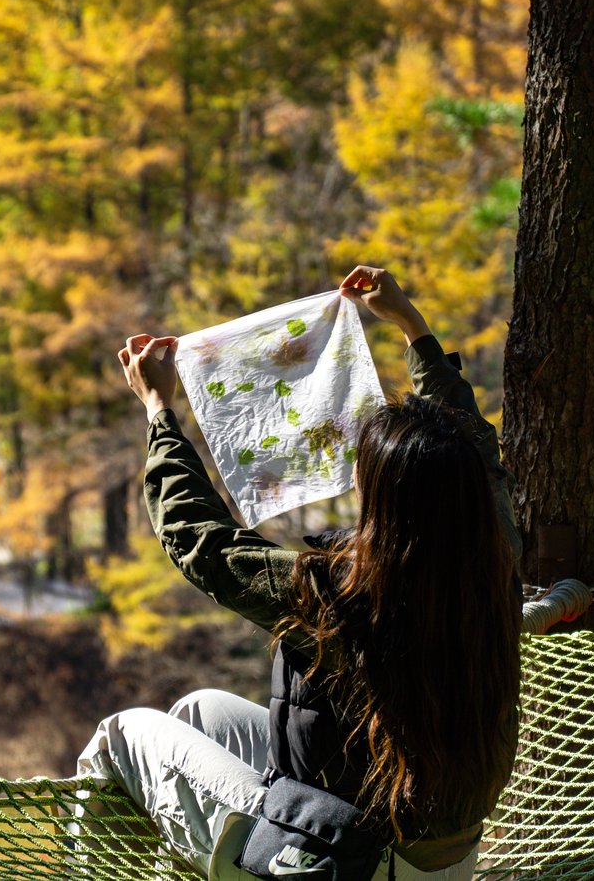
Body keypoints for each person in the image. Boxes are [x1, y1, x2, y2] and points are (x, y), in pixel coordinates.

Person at [76, 267, 522, 880]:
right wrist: (412, 328)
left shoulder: (340, 595)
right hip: (439, 858)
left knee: (121, 735)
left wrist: (159, 412)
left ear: (386, 501)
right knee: (201, 713)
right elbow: (473, 447)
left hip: (352, 864)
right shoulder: (495, 554)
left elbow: (201, 544)